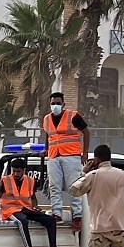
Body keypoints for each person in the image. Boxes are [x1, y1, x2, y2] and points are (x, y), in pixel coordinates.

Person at [0, 158, 58, 247]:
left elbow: (33, 198)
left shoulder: (30, 181)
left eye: (18, 171)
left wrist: (35, 207)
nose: (15, 173)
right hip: (11, 210)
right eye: (14, 171)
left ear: (24, 170)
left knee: (51, 220)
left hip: (26, 208)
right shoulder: (6, 180)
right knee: (22, 221)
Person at [42, 92, 90, 231]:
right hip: (53, 156)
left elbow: (86, 132)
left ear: (63, 104)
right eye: (53, 103)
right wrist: (46, 149)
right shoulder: (46, 119)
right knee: (54, 186)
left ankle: (77, 216)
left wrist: (85, 152)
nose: (55, 106)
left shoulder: (72, 115)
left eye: (58, 103)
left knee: (73, 187)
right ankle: (56, 214)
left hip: (71, 156)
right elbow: (48, 135)